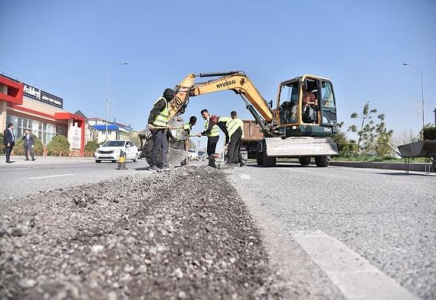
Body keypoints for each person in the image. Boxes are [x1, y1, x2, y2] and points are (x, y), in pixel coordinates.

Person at [147, 88, 174, 170]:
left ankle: (164, 165)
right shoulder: (162, 102)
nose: (173, 98)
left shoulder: (166, 103)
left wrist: (167, 125)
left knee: (165, 146)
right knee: (157, 146)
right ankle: (152, 165)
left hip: (161, 128)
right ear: (169, 96)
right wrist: (150, 123)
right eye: (172, 96)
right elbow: (153, 111)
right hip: (156, 127)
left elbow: (163, 118)